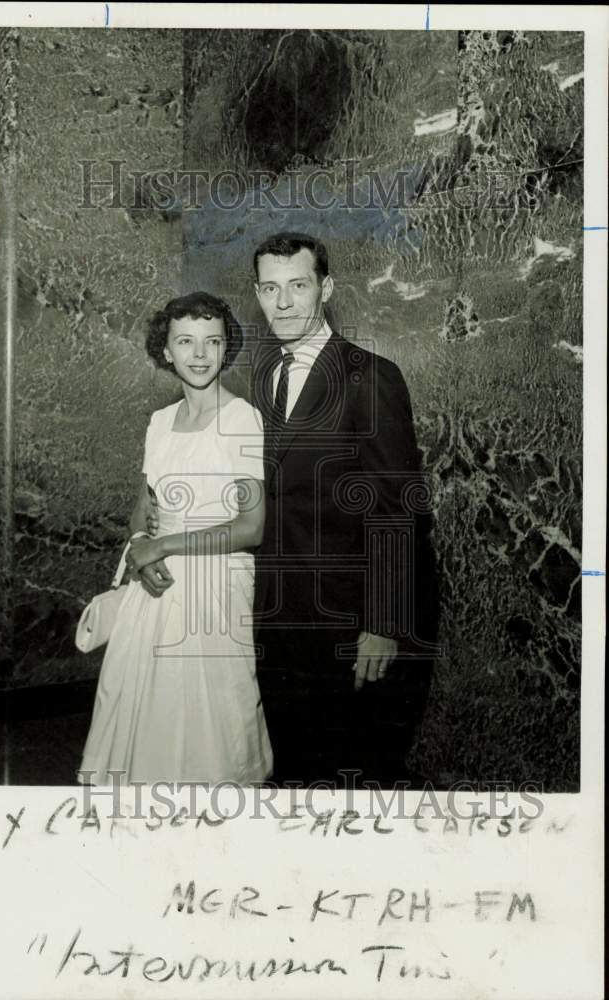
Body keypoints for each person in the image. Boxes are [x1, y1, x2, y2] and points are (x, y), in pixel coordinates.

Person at [250, 232, 438, 787]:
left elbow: (400, 510)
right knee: (294, 774)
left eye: (297, 286)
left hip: (351, 624)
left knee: (353, 777)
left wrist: (383, 624)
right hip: (281, 620)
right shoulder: (264, 379)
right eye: (269, 288)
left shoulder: (369, 376)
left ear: (325, 289)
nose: (282, 302)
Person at [78, 291, 273, 786]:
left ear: (226, 348)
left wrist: (162, 546)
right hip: (156, 587)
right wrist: (144, 545)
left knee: (212, 724)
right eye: (185, 341)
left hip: (215, 588)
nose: (199, 353)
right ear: (166, 351)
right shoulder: (159, 423)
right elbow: (143, 507)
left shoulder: (241, 419)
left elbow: (252, 527)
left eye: (212, 341)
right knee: (146, 718)